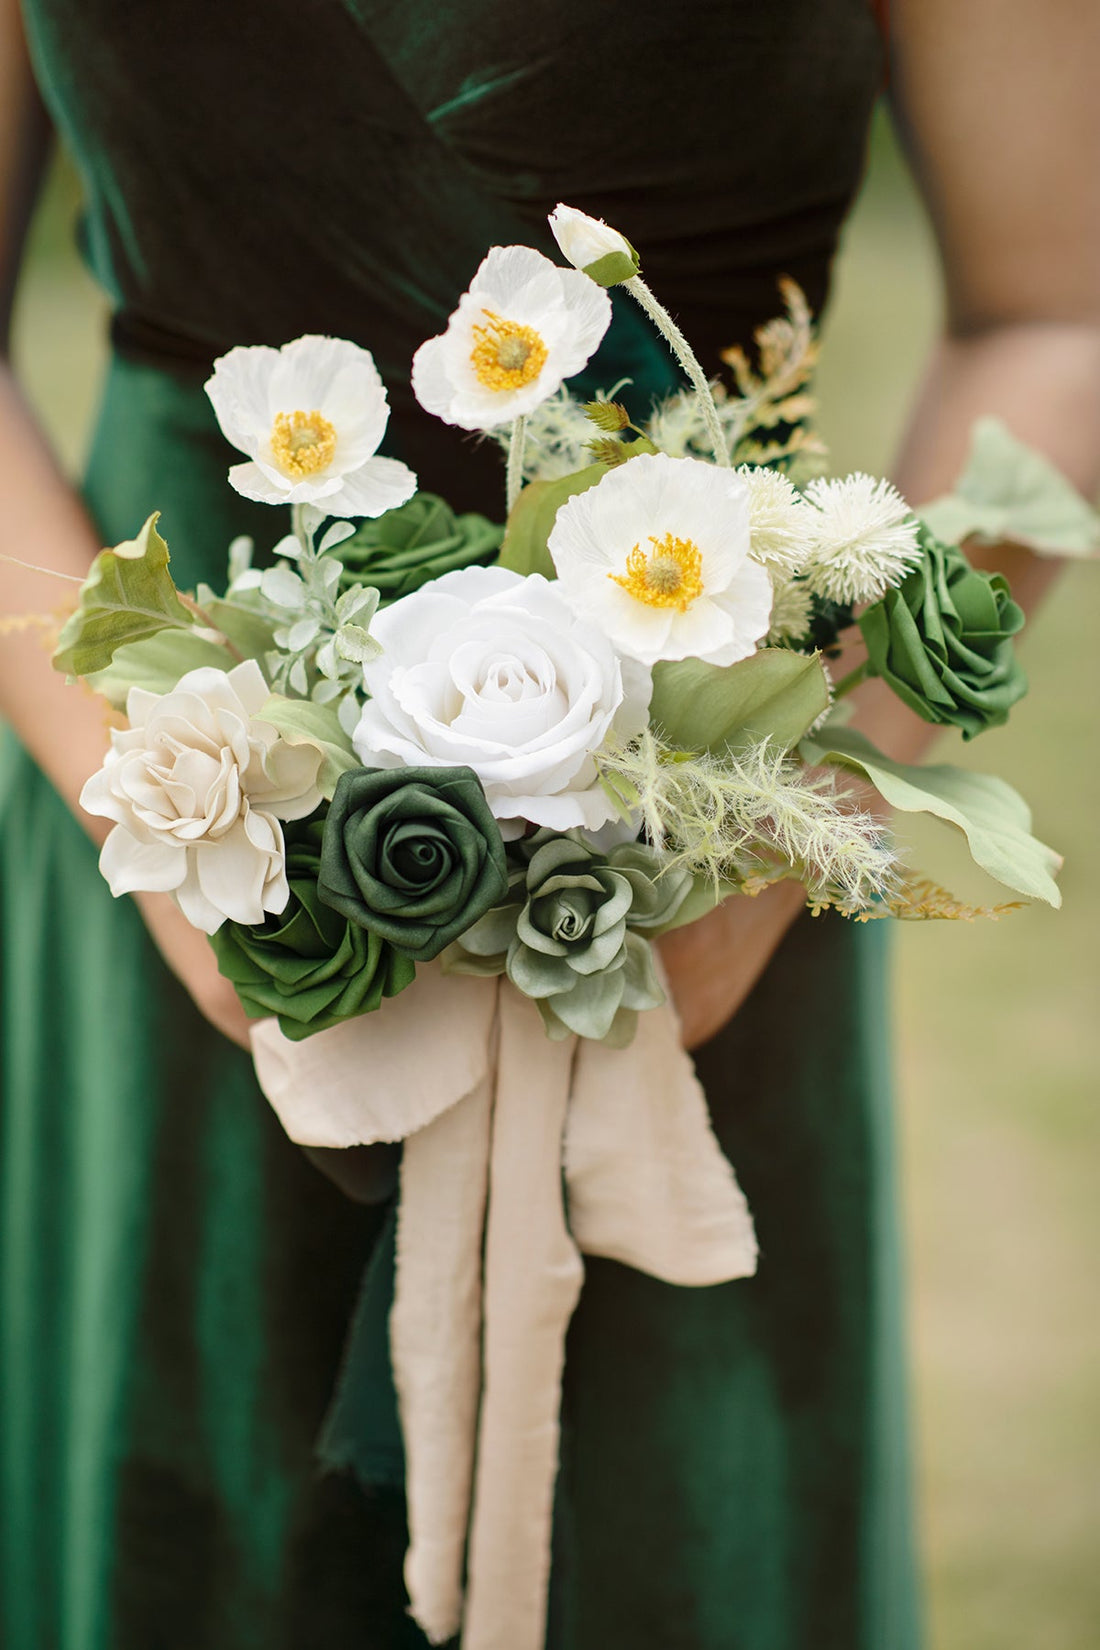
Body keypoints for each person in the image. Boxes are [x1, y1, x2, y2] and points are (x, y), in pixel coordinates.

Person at [1, 2, 1097, 1645]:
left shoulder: (736, 860)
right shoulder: (177, 823)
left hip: (702, 833)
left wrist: (786, 823)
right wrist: (173, 804)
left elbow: (1060, 308)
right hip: (181, 827)